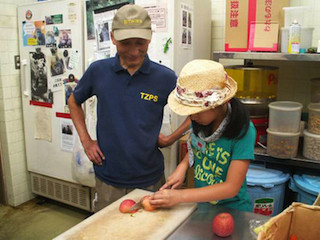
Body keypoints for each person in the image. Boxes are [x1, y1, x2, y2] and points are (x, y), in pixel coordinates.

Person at [68, 4, 185, 212]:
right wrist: (86, 141)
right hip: (108, 178)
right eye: (125, 43)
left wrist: (170, 138)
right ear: (112, 38)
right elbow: (74, 101)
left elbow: (197, 111)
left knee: (151, 231)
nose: (133, 51)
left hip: (150, 178)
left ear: (149, 38)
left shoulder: (165, 77)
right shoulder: (98, 71)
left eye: (140, 43)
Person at [150, 59, 256, 212]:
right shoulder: (201, 120)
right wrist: (183, 166)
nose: (191, 117)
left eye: (196, 111)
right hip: (202, 205)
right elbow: (198, 144)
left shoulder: (243, 131)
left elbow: (231, 187)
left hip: (232, 210)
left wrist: (180, 197)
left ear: (218, 104)